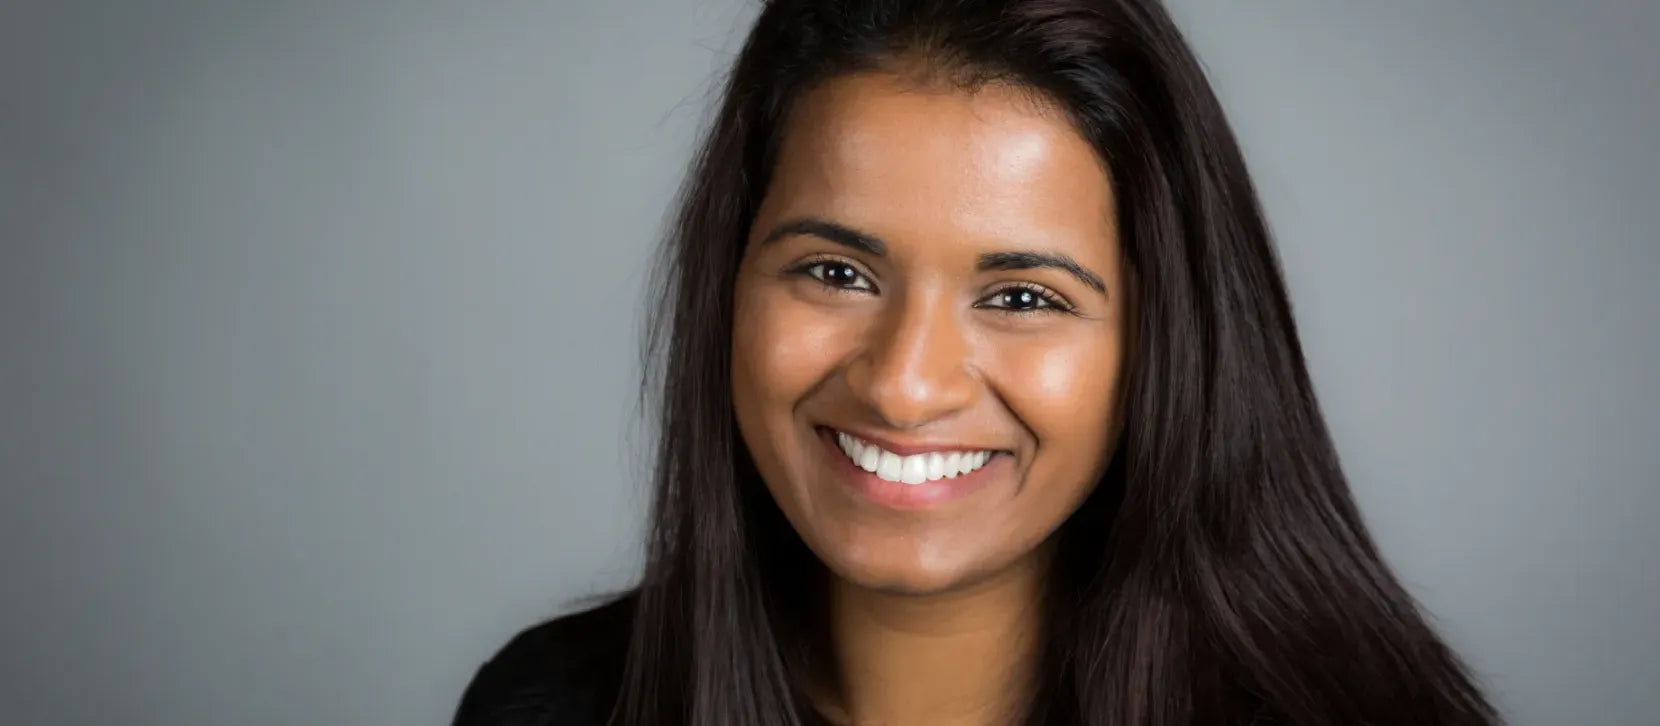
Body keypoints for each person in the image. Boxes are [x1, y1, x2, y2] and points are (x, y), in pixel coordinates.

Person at [453, 0, 1498, 724]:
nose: (905, 384)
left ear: (1161, 346)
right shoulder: (551, 706)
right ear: (729, 282)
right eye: (835, 272)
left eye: (1020, 299)